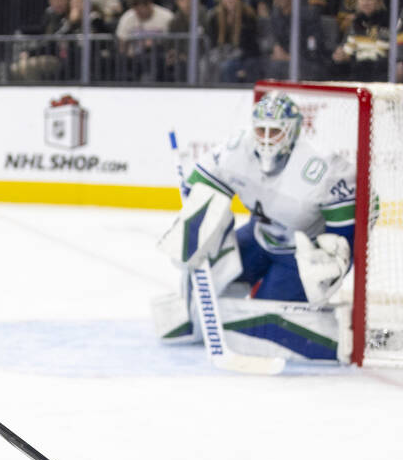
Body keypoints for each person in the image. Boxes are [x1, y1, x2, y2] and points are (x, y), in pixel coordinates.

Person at [152, 92, 357, 363]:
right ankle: (199, 321)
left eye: (276, 131)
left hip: (297, 255)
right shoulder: (237, 149)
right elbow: (197, 188)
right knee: (205, 270)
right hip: (258, 237)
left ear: (292, 131)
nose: (267, 139)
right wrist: (192, 226)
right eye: (261, 129)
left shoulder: (322, 167)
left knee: (263, 314)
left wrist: (334, 262)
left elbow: (349, 229)